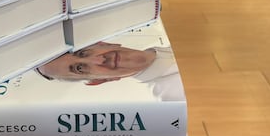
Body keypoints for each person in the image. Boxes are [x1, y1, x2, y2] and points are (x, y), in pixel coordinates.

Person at [36, 40, 184, 101]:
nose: (99, 60)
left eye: (83, 53)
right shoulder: (176, 100)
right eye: (80, 68)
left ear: (103, 43)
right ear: (99, 81)